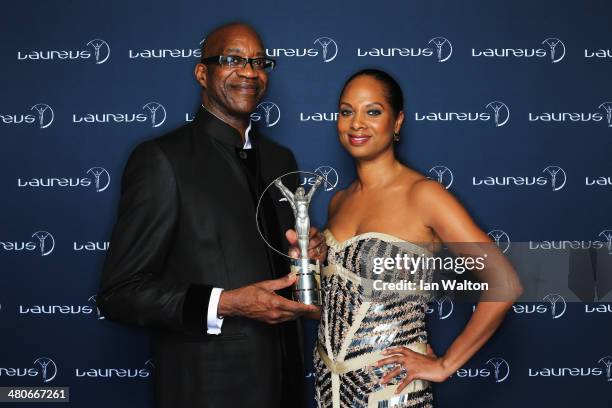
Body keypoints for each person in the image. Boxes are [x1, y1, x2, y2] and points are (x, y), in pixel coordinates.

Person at [97, 22, 325, 408]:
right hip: (209, 390)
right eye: (233, 60)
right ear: (203, 73)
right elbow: (120, 293)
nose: (250, 72)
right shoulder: (162, 159)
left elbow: (276, 258)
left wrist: (308, 256)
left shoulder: (281, 159)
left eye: (258, 62)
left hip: (287, 383)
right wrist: (227, 302)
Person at [313, 69, 522, 407]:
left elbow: (505, 283)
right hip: (329, 389)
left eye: (373, 111)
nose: (356, 123)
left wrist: (444, 365)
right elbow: (335, 306)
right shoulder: (339, 201)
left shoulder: (423, 195)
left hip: (391, 392)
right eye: (346, 111)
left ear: (397, 122)